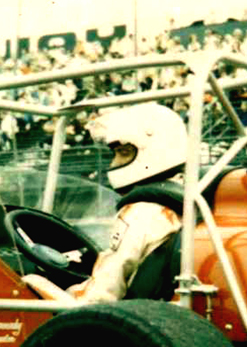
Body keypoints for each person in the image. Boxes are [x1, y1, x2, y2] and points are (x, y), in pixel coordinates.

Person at [29, 103, 188, 304]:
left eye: (123, 152)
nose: (113, 164)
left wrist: (47, 286)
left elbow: (100, 296)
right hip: (156, 310)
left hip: (119, 317)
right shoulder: (185, 203)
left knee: (30, 280)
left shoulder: (140, 212)